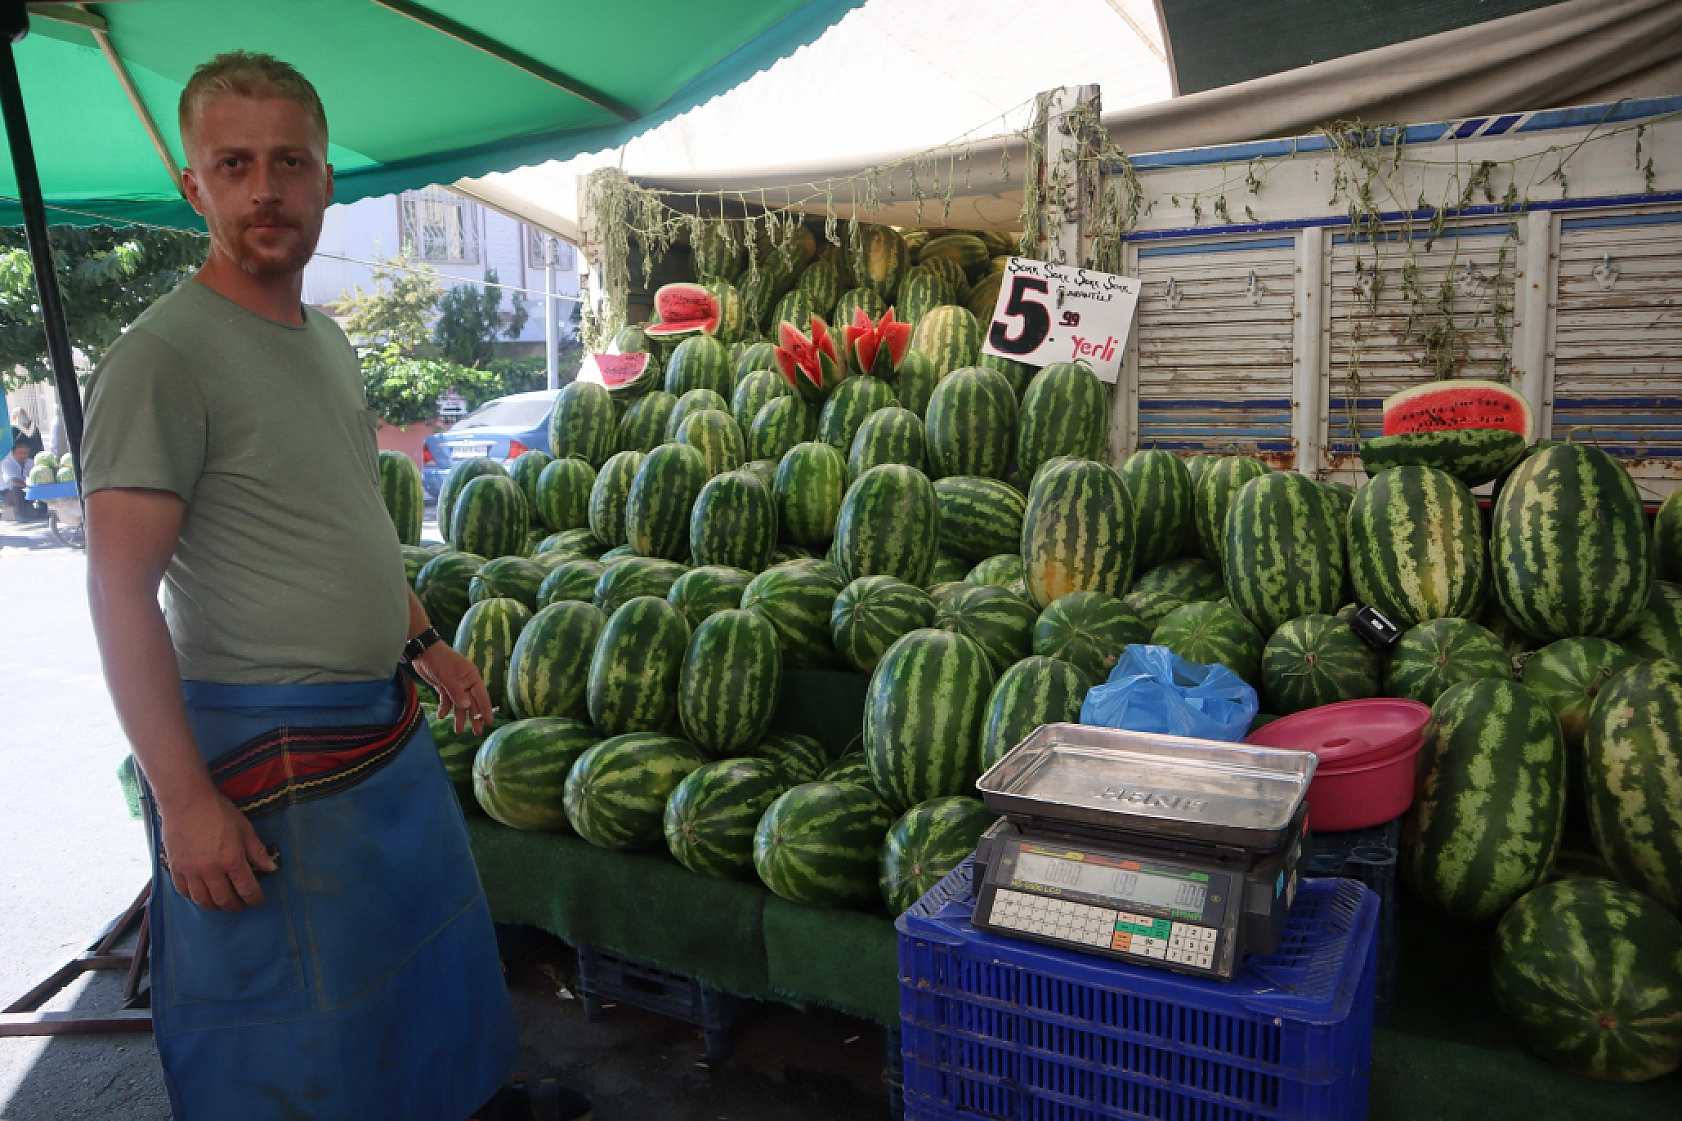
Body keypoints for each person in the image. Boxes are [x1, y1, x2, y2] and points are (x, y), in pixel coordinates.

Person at [80, 52, 587, 1121]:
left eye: (289, 162)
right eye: (235, 164)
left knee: (416, 973)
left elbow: (346, 519)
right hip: (265, 757)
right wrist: (185, 803)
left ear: (324, 181)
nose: (265, 188)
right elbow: (120, 596)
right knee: (300, 1032)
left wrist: (422, 640)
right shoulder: (161, 357)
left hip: (376, 728)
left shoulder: (326, 340)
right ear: (193, 185)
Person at [2, 440, 37, 520]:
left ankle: (40, 510)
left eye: (25, 453)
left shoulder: (31, 462)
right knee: (17, 489)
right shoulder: (7, 464)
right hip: (9, 494)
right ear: (14, 454)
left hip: (27, 491)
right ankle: (20, 515)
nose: (23, 455)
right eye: (20, 453)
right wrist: (28, 487)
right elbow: (13, 480)